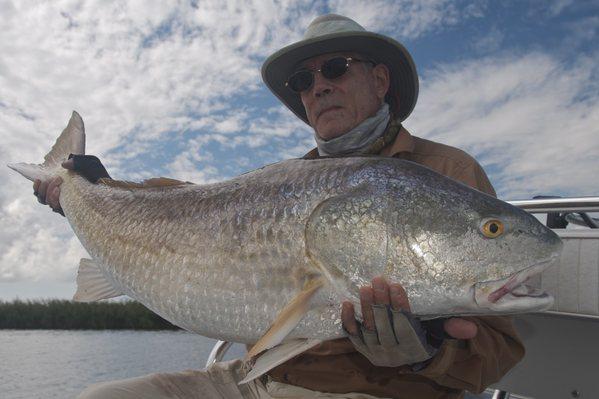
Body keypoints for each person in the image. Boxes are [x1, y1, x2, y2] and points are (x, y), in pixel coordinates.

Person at [34, 14, 524, 399]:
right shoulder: (284, 181)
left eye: (334, 68)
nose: (318, 87)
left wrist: (426, 352)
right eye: (303, 83)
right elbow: (187, 208)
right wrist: (95, 192)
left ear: (380, 80)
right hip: (258, 383)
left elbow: (500, 347)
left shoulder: (447, 171)